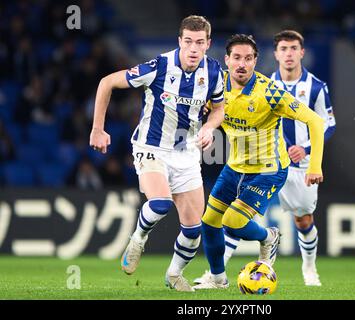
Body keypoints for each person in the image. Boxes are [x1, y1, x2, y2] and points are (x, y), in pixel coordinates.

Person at [89, 15, 225, 292]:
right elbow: (107, 82)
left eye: (200, 42)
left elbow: (219, 109)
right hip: (151, 147)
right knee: (160, 203)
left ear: (208, 44)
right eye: (188, 41)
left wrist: (210, 127)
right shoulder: (159, 66)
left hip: (186, 153)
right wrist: (97, 129)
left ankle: (174, 275)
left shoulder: (214, 73)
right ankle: (138, 238)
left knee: (193, 230)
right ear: (179, 41)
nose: (193, 48)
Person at [196, 30, 336, 287]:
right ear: (226, 60)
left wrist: (314, 162)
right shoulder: (216, 86)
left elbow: (318, 122)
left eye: (248, 58)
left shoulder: (272, 91)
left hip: (270, 168)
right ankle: (217, 279)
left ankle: (272, 239)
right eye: (236, 57)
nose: (242, 63)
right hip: (236, 166)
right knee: (209, 222)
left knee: (236, 221)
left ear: (255, 61)